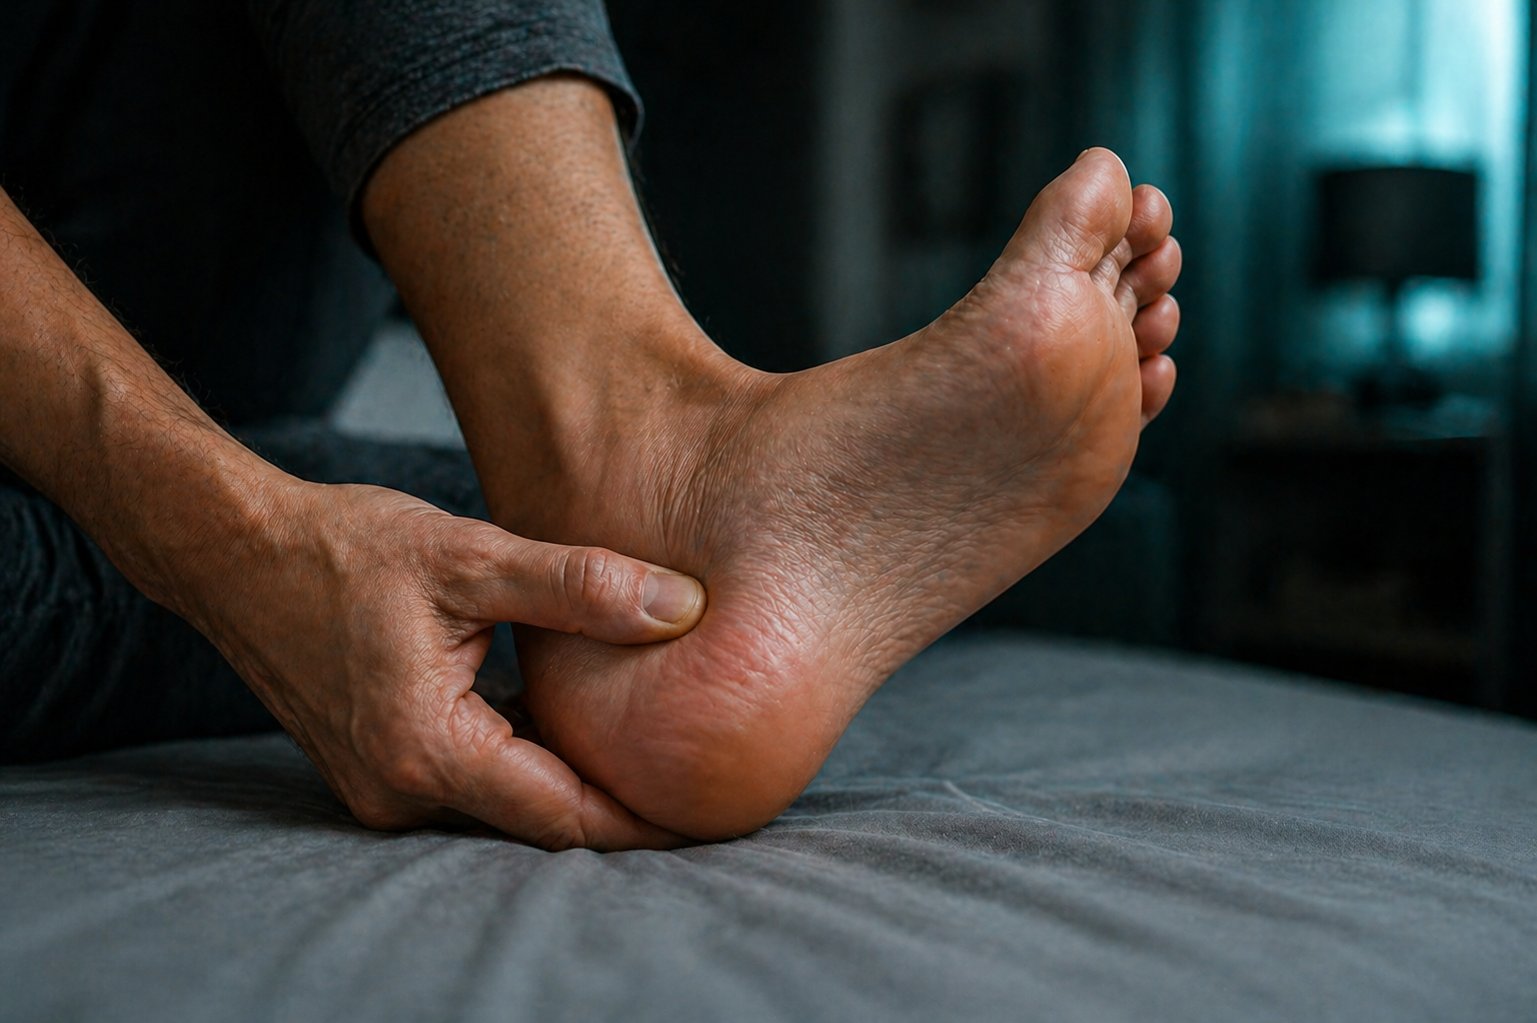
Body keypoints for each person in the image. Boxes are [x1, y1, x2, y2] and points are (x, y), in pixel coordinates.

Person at [0, 1, 1181, 848]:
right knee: (603, 585)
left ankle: (630, 429)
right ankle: (654, 508)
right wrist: (241, 544)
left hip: (178, 291)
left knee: (590, 569)